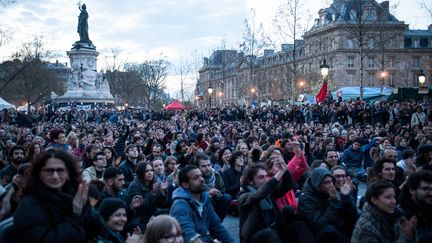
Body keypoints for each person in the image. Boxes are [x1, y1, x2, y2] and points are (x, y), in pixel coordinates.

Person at [13, 149, 103, 242]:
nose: (55, 176)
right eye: (49, 171)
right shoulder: (29, 204)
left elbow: (97, 228)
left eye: (60, 170)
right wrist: (75, 215)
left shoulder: (73, 194)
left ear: (68, 172)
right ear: (39, 173)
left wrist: (85, 206)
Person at [170, 165, 234, 243]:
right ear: (185, 185)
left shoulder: (204, 198)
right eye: (196, 177)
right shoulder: (180, 205)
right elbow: (187, 232)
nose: (201, 179)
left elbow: (216, 226)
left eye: (201, 176)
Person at [298, 167, 358, 240]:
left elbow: (353, 215)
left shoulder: (329, 190)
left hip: (335, 227)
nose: (331, 185)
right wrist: (334, 203)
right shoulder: (306, 199)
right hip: (317, 235)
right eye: (327, 182)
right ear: (317, 184)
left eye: (331, 181)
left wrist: (346, 197)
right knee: (329, 230)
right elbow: (319, 225)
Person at [351, 181, 417, 243]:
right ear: (374, 200)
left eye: (394, 197)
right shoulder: (366, 228)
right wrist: (405, 237)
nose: (393, 201)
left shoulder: (399, 216)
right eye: (388, 197)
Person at [126, 161, 169, 229]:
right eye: (146, 171)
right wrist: (153, 193)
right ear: (141, 173)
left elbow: (162, 204)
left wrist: (162, 192)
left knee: (170, 212)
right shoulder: (135, 186)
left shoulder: (153, 183)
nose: (150, 173)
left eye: (151, 170)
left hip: (152, 213)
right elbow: (141, 208)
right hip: (139, 217)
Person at [193, 152, 231, 221]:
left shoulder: (215, 176)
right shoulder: (193, 178)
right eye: (203, 166)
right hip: (199, 206)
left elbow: (222, 190)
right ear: (197, 167)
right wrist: (207, 193)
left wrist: (215, 193)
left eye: (209, 165)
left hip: (214, 202)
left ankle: (217, 223)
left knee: (226, 198)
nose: (207, 168)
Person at [399, 170, 432, 241]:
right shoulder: (401, 214)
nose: (431, 193)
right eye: (426, 189)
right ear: (412, 190)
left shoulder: (427, 206)